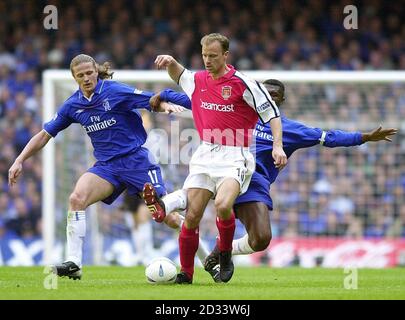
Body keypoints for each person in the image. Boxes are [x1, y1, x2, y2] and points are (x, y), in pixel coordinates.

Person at [145, 79, 398, 282]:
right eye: (265, 93)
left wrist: (363, 137)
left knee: (261, 239)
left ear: (281, 101)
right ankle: (165, 205)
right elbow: (198, 100)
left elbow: (328, 137)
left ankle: (223, 249)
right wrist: (165, 94)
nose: (269, 98)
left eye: (274, 96)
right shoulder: (234, 111)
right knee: (200, 189)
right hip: (221, 166)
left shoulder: (288, 130)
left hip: (253, 182)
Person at [8, 54, 190, 280]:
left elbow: (149, 99)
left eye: (89, 73)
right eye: (80, 75)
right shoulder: (72, 105)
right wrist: (19, 159)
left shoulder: (114, 91)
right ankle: (74, 262)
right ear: (74, 78)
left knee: (168, 217)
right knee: (76, 198)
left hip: (136, 161)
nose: (86, 78)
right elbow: (45, 135)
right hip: (107, 167)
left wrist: (163, 105)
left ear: (96, 71)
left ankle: (204, 253)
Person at [145, 33, 287, 284]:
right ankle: (186, 274)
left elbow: (272, 114)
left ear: (225, 55)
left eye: (213, 56)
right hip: (205, 153)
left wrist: (278, 146)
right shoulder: (198, 80)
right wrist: (170, 61)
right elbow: (180, 74)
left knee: (222, 205)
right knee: (192, 215)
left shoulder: (244, 83)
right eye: (204, 56)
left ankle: (224, 254)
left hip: (236, 156)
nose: (208, 60)